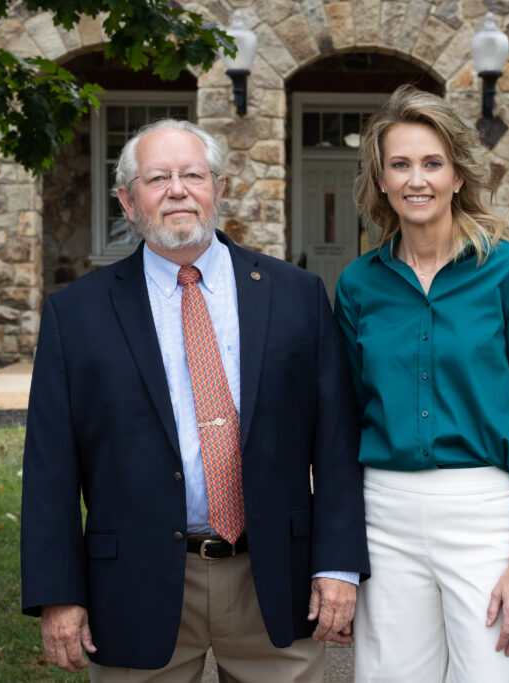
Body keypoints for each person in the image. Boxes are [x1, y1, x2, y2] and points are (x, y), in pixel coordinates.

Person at [21, 118, 369, 682]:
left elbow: (335, 442)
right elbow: (49, 468)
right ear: (128, 202)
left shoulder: (296, 295)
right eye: (157, 178)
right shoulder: (76, 315)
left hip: (274, 579)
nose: (177, 189)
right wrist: (58, 594)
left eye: (192, 174)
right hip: (135, 583)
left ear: (219, 188)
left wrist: (338, 565)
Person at [333, 85, 509, 682]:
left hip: (482, 510)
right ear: (380, 180)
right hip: (383, 513)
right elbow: (343, 416)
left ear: (459, 175)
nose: (417, 179)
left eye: (432, 163)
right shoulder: (360, 284)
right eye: (401, 164)